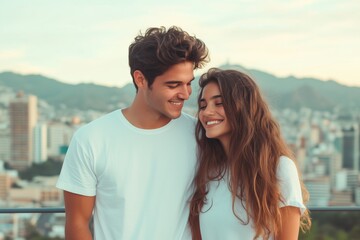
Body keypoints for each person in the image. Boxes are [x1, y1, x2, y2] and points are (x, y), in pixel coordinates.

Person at [56, 26, 209, 240]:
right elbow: (77, 223)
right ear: (140, 79)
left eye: (188, 84)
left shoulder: (201, 136)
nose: (185, 94)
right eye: (173, 85)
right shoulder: (90, 139)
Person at [189, 68, 311, 240]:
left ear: (243, 107)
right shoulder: (207, 172)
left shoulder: (279, 168)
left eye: (219, 103)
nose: (207, 112)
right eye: (203, 105)